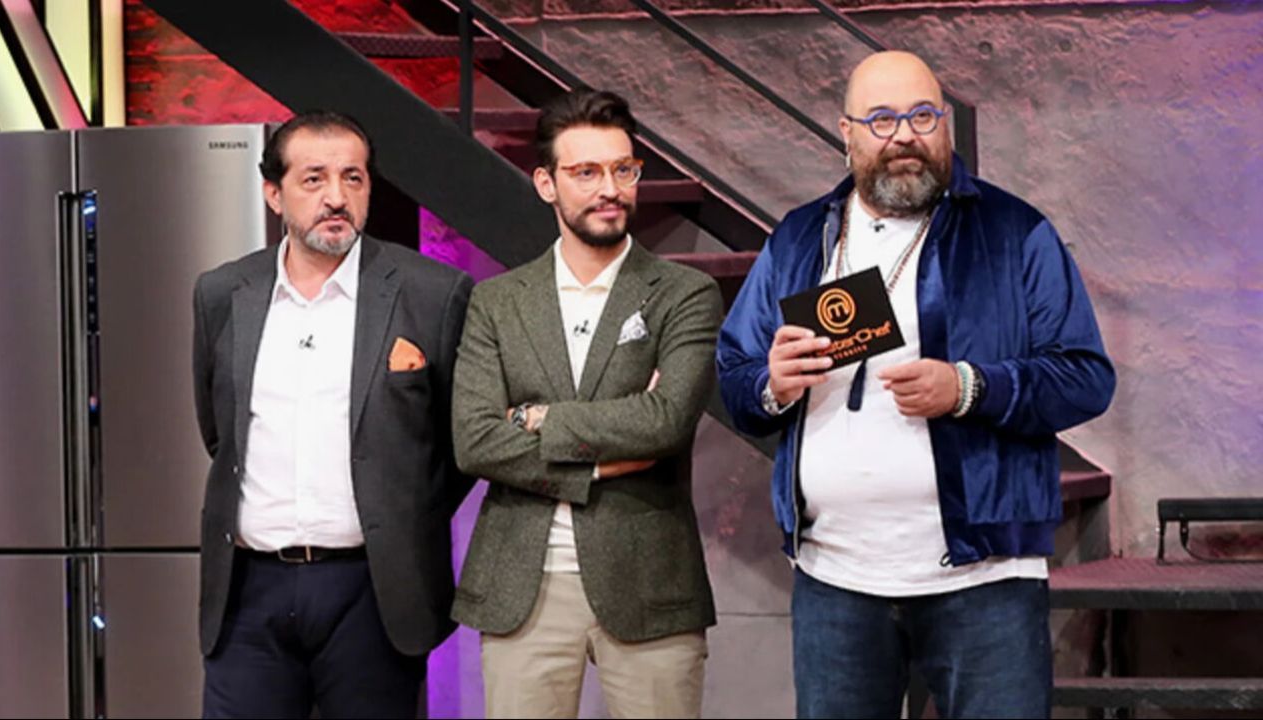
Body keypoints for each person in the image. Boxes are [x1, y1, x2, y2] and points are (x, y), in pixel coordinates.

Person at [716, 51, 1115, 719]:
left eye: (923, 116)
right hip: (834, 578)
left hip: (985, 577)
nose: (904, 135)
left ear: (946, 125)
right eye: (882, 119)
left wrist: (968, 388)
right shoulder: (798, 238)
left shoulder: (1014, 232)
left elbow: (1084, 377)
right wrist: (772, 384)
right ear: (846, 134)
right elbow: (735, 374)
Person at [191, 110, 474, 718]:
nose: (336, 198)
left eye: (353, 178)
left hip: (373, 590)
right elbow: (220, 433)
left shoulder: (432, 293)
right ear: (275, 193)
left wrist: (398, 514)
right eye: (314, 179)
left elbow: (456, 449)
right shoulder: (222, 293)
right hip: (248, 590)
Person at [450, 88, 721, 719]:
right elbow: (476, 440)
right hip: (523, 585)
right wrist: (598, 463)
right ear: (546, 183)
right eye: (587, 172)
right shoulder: (497, 301)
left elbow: (665, 421)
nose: (611, 189)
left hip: (649, 581)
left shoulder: (685, 293)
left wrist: (535, 418)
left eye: (624, 170)